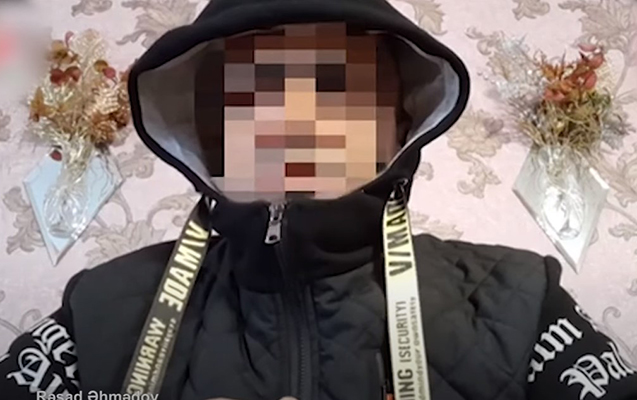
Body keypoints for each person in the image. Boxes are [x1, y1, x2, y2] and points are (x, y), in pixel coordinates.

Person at [2, 0, 637, 399]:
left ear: (398, 130)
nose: (293, 122)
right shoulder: (102, 309)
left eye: (335, 89)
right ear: (208, 138)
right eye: (254, 95)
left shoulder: (521, 300)